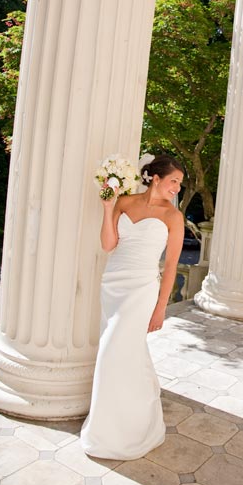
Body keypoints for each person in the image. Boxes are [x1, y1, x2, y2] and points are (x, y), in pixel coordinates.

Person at [81, 155, 185, 460]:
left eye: (179, 183)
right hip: (113, 283)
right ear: (155, 177)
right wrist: (107, 207)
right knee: (118, 353)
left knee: (115, 350)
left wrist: (161, 307)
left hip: (142, 290)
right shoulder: (125, 202)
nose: (176, 188)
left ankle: (130, 429)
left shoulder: (173, 217)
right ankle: (109, 427)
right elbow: (108, 244)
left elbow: (171, 266)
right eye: (174, 181)